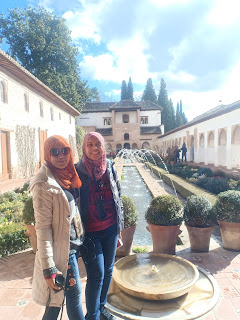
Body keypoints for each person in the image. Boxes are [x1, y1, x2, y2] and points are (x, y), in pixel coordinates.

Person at [30, 135, 85, 320]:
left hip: (71, 246)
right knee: (70, 297)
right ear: (47, 154)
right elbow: (43, 229)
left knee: (56, 302)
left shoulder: (67, 175)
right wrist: (49, 268)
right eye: (54, 152)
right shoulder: (43, 183)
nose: (61, 156)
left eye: (65, 151)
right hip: (62, 251)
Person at [76, 132, 124, 320]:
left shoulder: (110, 167)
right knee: (97, 275)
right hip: (90, 232)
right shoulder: (78, 170)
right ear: (84, 148)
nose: (95, 148)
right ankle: (93, 316)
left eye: (98, 144)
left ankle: (102, 307)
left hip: (110, 228)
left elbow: (117, 196)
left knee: (109, 268)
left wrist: (119, 228)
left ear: (104, 147)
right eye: (91, 144)